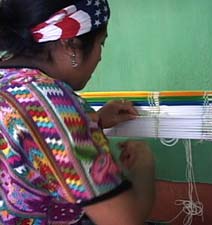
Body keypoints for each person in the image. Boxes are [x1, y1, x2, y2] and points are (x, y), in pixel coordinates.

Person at [0, 0, 156, 224]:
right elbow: (124, 220)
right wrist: (143, 169)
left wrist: (95, 121)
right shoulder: (52, 103)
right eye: (101, 43)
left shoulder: (9, 82)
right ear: (71, 44)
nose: (100, 56)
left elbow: (28, 140)